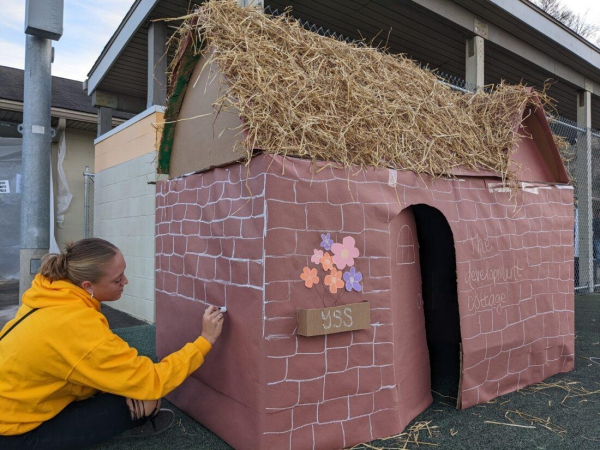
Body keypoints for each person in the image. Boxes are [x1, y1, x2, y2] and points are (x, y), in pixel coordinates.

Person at [0, 238, 224, 450]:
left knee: (113, 382)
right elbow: (152, 381)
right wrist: (205, 340)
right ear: (87, 286)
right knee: (147, 403)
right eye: (117, 279)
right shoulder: (76, 327)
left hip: (16, 406)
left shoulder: (49, 296)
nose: (125, 281)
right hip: (12, 436)